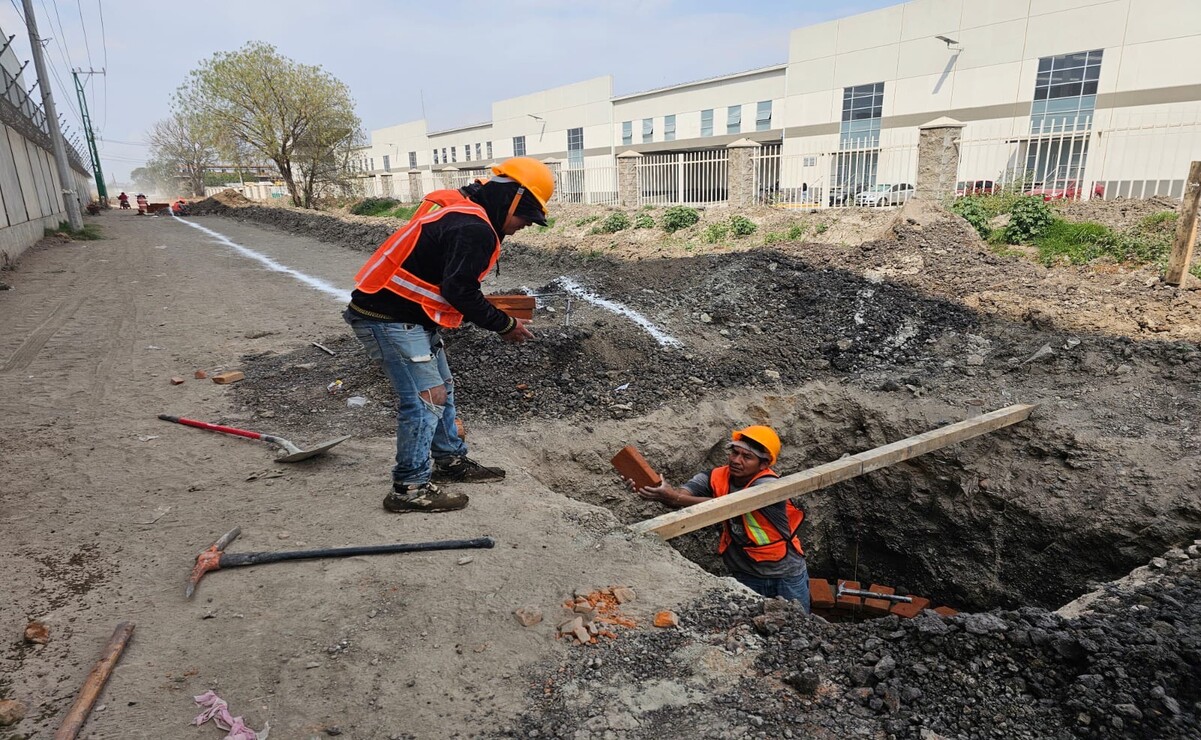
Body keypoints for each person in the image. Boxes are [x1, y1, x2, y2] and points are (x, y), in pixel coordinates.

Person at [345, 156, 554, 514]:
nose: (523, 227)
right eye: (525, 218)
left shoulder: (465, 211)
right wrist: (505, 325)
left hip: (410, 315)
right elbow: (459, 290)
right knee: (428, 397)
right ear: (513, 200)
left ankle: (450, 461)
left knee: (443, 387)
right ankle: (408, 487)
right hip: (389, 318)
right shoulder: (473, 227)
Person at [629, 425, 811, 611]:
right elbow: (680, 498)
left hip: (785, 575)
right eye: (734, 453)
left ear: (763, 464)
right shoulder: (715, 476)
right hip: (744, 573)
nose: (736, 460)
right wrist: (657, 490)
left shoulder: (769, 484)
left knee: (800, 627)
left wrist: (674, 497)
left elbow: (733, 504)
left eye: (747, 457)